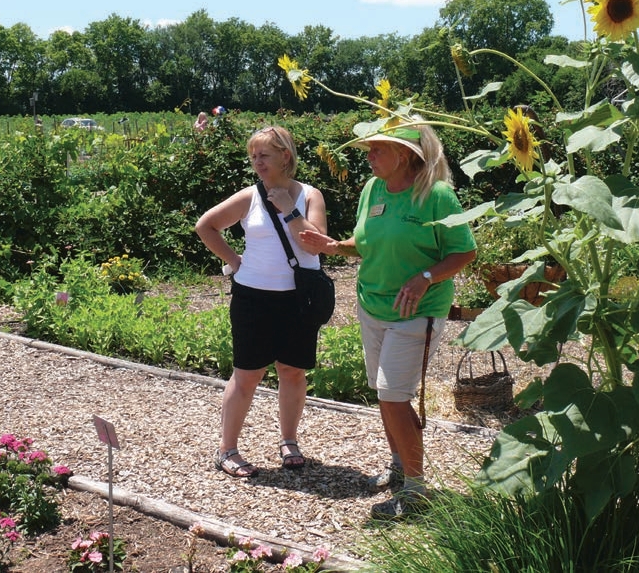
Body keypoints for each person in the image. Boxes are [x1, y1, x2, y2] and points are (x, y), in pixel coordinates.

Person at [299, 118, 476, 519]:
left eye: (378, 149)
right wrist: (332, 245)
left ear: (405, 155)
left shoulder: (436, 195)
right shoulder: (373, 189)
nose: (370, 156)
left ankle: (415, 492)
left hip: (416, 311)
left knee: (394, 396)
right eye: (369, 149)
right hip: (372, 305)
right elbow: (364, 244)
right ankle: (399, 467)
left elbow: (465, 251)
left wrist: (425, 277)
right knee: (385, 394)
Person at [195, 126, 328, 478]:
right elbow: (205, 226)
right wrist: (234, 261)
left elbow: (316, 245)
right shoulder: (249, 196)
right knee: (247, 374)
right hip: (253, 298)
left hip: (299, 298)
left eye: (264, 155)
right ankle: (227, 449)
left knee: (292, 371)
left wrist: (288, 210)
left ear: (285, 156)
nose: (257, 162)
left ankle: (289, 441)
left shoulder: (310, 196)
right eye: (254, 156)